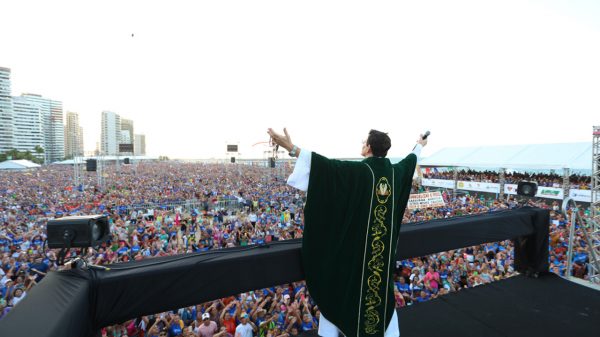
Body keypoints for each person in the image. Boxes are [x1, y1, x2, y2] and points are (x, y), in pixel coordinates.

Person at [267, 128, 427, 337]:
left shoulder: (358, 172)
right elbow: (412, 158)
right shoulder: (396, 172)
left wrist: (290, 146)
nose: (362, 143)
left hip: (352, 263)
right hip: (380, 267)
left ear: (369, 147)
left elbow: (324, 167)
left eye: (364, 141)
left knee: (334, 300)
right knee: (382, 310)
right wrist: (419, 145)